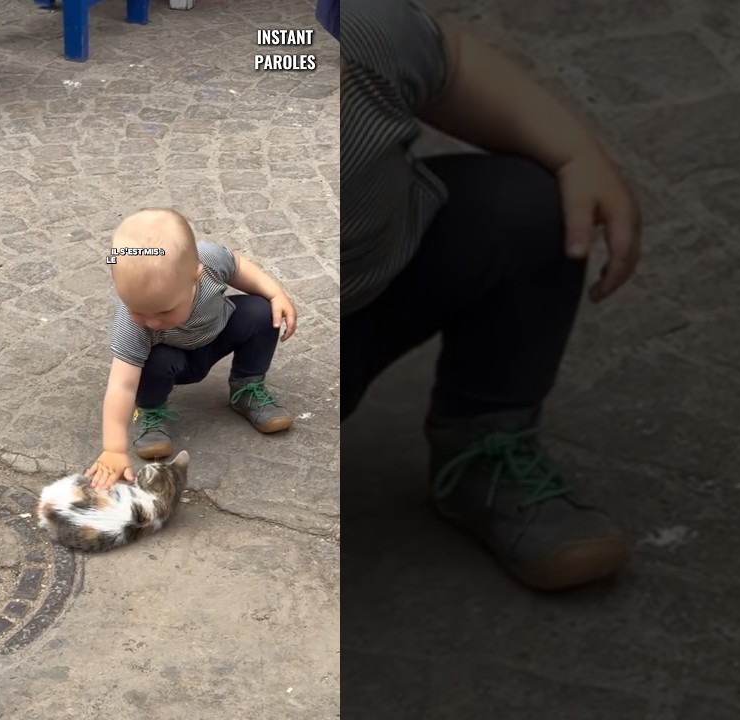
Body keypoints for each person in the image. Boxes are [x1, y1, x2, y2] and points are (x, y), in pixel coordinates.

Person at [341, 1, 644, 591]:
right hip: (235, 355)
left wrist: (577, 154)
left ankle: (483, 449)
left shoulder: (345, 30)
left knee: (530, 209)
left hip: (372, 288)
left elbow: (448, 62)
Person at [84, 208, 299, 491]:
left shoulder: (207, 259)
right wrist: (113, 448)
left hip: (216, 334)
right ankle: (150, 411)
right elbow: (121, 385)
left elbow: (238, 266)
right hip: (172, 359)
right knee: (150, 359)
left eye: (163, 311)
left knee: (262, 311)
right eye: (137, 310)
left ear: (195, 276)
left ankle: (247, 388)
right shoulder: (133, 325)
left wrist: (275, 293)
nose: (151, 322)